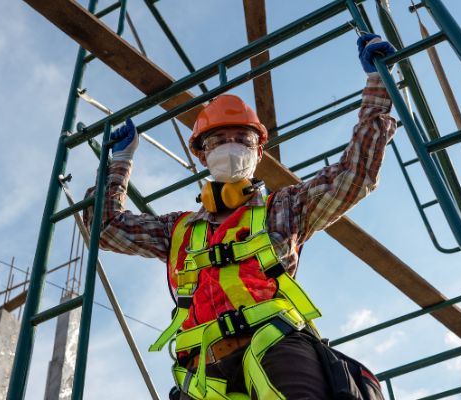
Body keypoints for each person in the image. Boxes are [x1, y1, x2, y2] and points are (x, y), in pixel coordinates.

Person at [84, 33, 397, 400]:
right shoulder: (178, 230)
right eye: (219, 140)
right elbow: (105, 230)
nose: (231, 146)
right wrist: (118, 165)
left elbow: (352, 177)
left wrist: (379, 87)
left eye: (241, 139)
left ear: (258, 152)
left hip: (277, 348)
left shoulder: (286, 209)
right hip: (203, 374)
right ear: (202, 155)